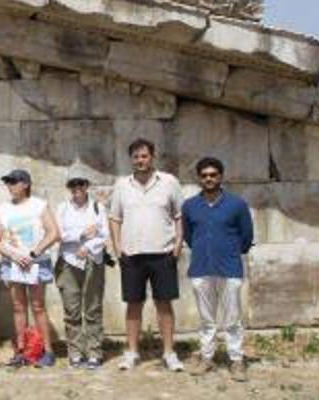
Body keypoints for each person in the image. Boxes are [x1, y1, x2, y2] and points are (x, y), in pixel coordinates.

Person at [108, 138, 185, 372]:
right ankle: (131, 352)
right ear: (131, 159)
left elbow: (179, 215)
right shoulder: (122, 185)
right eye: (136, 157)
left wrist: (179, 243)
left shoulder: (169, 182)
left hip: (163, 252)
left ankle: (169, 353)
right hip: (132, 254)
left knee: (164, 304)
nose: (140, 160)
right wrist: (117, 246)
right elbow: (114, 217)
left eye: (144, 156)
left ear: (152, 157)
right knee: (133, 305)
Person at [183, 157, 254, 382]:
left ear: (221, 177)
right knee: (206, 319)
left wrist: (229, 252)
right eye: (204, 175)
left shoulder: (237, 204)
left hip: (229, 268)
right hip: (201, 267)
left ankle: (236, 360)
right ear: (199, 178)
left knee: (232, 318)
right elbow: (188, 236)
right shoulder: (190, 206)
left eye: (213, 175)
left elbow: (246, 236)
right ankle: (207, 357)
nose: (209, 179)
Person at [0, 169, 60, 368]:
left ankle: (48, 351)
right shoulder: (2, 209)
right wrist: (14, 255)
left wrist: (33, 254)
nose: (10, 186)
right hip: (13, 263)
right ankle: (21, 351)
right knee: (18, 307)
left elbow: (54, 232)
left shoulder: (39, 205)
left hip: (36, 263)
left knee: (38, 306)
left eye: (14, 182)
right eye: (8, 182)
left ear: (26, 184)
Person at [54, 169, 109, 370]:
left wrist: (87, 247)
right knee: (72, 309)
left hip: (93, 260)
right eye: (73, 185)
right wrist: (82, 233)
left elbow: (104, 235)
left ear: (87, 186)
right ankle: (75, 352)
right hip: (68, 262)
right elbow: (59, 233)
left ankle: (94, 351)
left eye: (81, 184)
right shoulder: (62, 208)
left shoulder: (98, 207)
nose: (77, 188)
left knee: (93, 308)